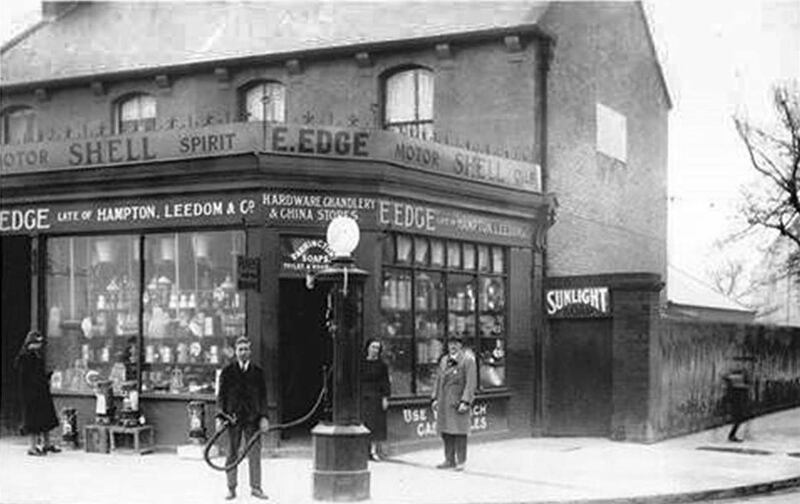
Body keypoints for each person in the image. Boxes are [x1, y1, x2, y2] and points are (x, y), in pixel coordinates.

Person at [216, 337, 269, 500]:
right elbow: (221, 396)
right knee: (232, 454)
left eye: (246, 349)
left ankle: (256, 487)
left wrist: (264, 417)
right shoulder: (227, 372)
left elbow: (263, 397)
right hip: (233, 419)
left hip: (253, 419)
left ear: (250, 352)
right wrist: (219, 417)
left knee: (254, 454)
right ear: (235, 352)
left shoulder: (258, 373)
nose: (243, 352)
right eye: (240, 349)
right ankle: (231, 488)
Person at [431, 335, 476, 471]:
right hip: (444, 401)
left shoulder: (468, 360)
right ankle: (449, 460)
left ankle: (461, 461)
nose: (453, 346)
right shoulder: (444, 360)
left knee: (460, 431)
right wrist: (435, 398)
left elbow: (471, 382)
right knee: (446, 431)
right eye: (450, 343)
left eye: (456, 343)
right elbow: (438, 380)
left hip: (458, 401)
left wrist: (466, 401)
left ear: (461, 345)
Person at [14, 330, 61, 456]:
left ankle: (47, 444)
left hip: (41, 391)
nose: (40, 345)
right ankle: (32, 447)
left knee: (46, 419)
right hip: (31, 394)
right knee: (33, 421)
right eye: (37, 343)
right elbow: (25, 378)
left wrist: (48, 376)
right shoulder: (24, 358)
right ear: (31, 343)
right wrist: (38, 383)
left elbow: (38, 374)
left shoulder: (36, 355)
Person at [360, 338, 390, 461]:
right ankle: (362, 451)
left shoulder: (382, 365)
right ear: (367, 348)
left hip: (376, 396)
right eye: (373, 347)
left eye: (377, 348)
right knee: (363, 423)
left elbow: (385, 382)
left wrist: (385, 397)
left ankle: (372, 451)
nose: (375, 350)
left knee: (375, 425)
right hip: (363, 396)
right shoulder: (361, 363)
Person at [724, 369, 751, 442]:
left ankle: (732, 435)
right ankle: (731, 435)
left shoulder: (733, 388)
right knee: (738, 419)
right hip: (737, 405)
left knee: (738, 420)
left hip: (736, 405)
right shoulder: (738, 388)